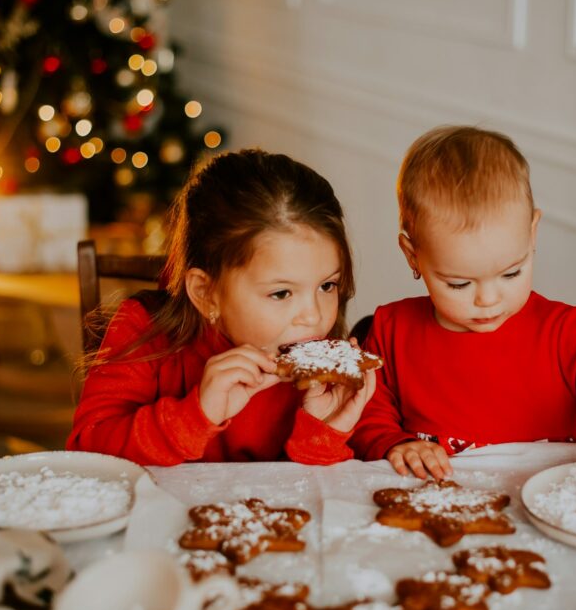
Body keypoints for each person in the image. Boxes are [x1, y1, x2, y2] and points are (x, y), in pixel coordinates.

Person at [349, 126, 576, 514]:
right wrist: (394, 442)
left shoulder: (562, 332)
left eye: (511, 273)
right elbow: (369, 406)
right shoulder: (392, 327)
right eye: (458, 283)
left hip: (549, 508)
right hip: (438, 505)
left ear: (532, 233)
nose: (488, 299)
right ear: (412, 254)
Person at [69, 149, 376, 466]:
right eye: (282, 293)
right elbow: (87, 455)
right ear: (206, 293)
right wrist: (197, 414)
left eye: (327, 286)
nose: (314, 316)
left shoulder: (325, 374)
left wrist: (323, 432)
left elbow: (320, 498)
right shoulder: (143, 328)